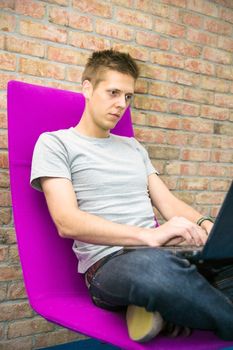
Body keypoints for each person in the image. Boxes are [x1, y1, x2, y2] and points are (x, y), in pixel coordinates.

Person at [30, 49, 233, 342]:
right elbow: (67, 221)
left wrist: (206, 225)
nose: (121, 104)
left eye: (128, 96)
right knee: (154, 271)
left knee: (213, 259)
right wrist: (147, 236)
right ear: (87, 88)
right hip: (111, 265)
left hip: (160, 255)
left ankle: (163, 307)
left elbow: (168, 203)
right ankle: (177, 303)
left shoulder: (133, 147)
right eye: (113, 92)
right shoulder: (55, 143)